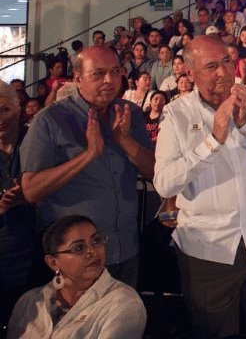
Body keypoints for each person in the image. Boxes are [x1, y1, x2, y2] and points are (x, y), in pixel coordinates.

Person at [153, 36, 246, 339]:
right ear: (191, 72)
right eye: (211, 66)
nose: (222, 71)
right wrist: (212, 142)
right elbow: (164, 182)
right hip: (209, 251)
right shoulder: (178, 114)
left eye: (227, 62)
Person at [20, 46, 154, 287]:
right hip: (76, 259)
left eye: (115, 71)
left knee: (125, 321)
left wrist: (125, 141)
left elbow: (154, 172)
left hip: (126, 249)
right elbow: (31, 190)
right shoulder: (50, 120)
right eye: (99, 73)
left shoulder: (128, 112)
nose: (109, 80)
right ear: (77, 78)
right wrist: (88, 155)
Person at [7, 215, 146, 339]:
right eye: (78, 248)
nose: (92, 251)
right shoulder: (29, 301)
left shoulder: (124, 303)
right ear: (53, 262)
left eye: (96, 240)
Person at [0, 81, 33, 327]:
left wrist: (31, 193)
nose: (0, 118)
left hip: (33, 245)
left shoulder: (35, 141)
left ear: (18, 108)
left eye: (4, 110)